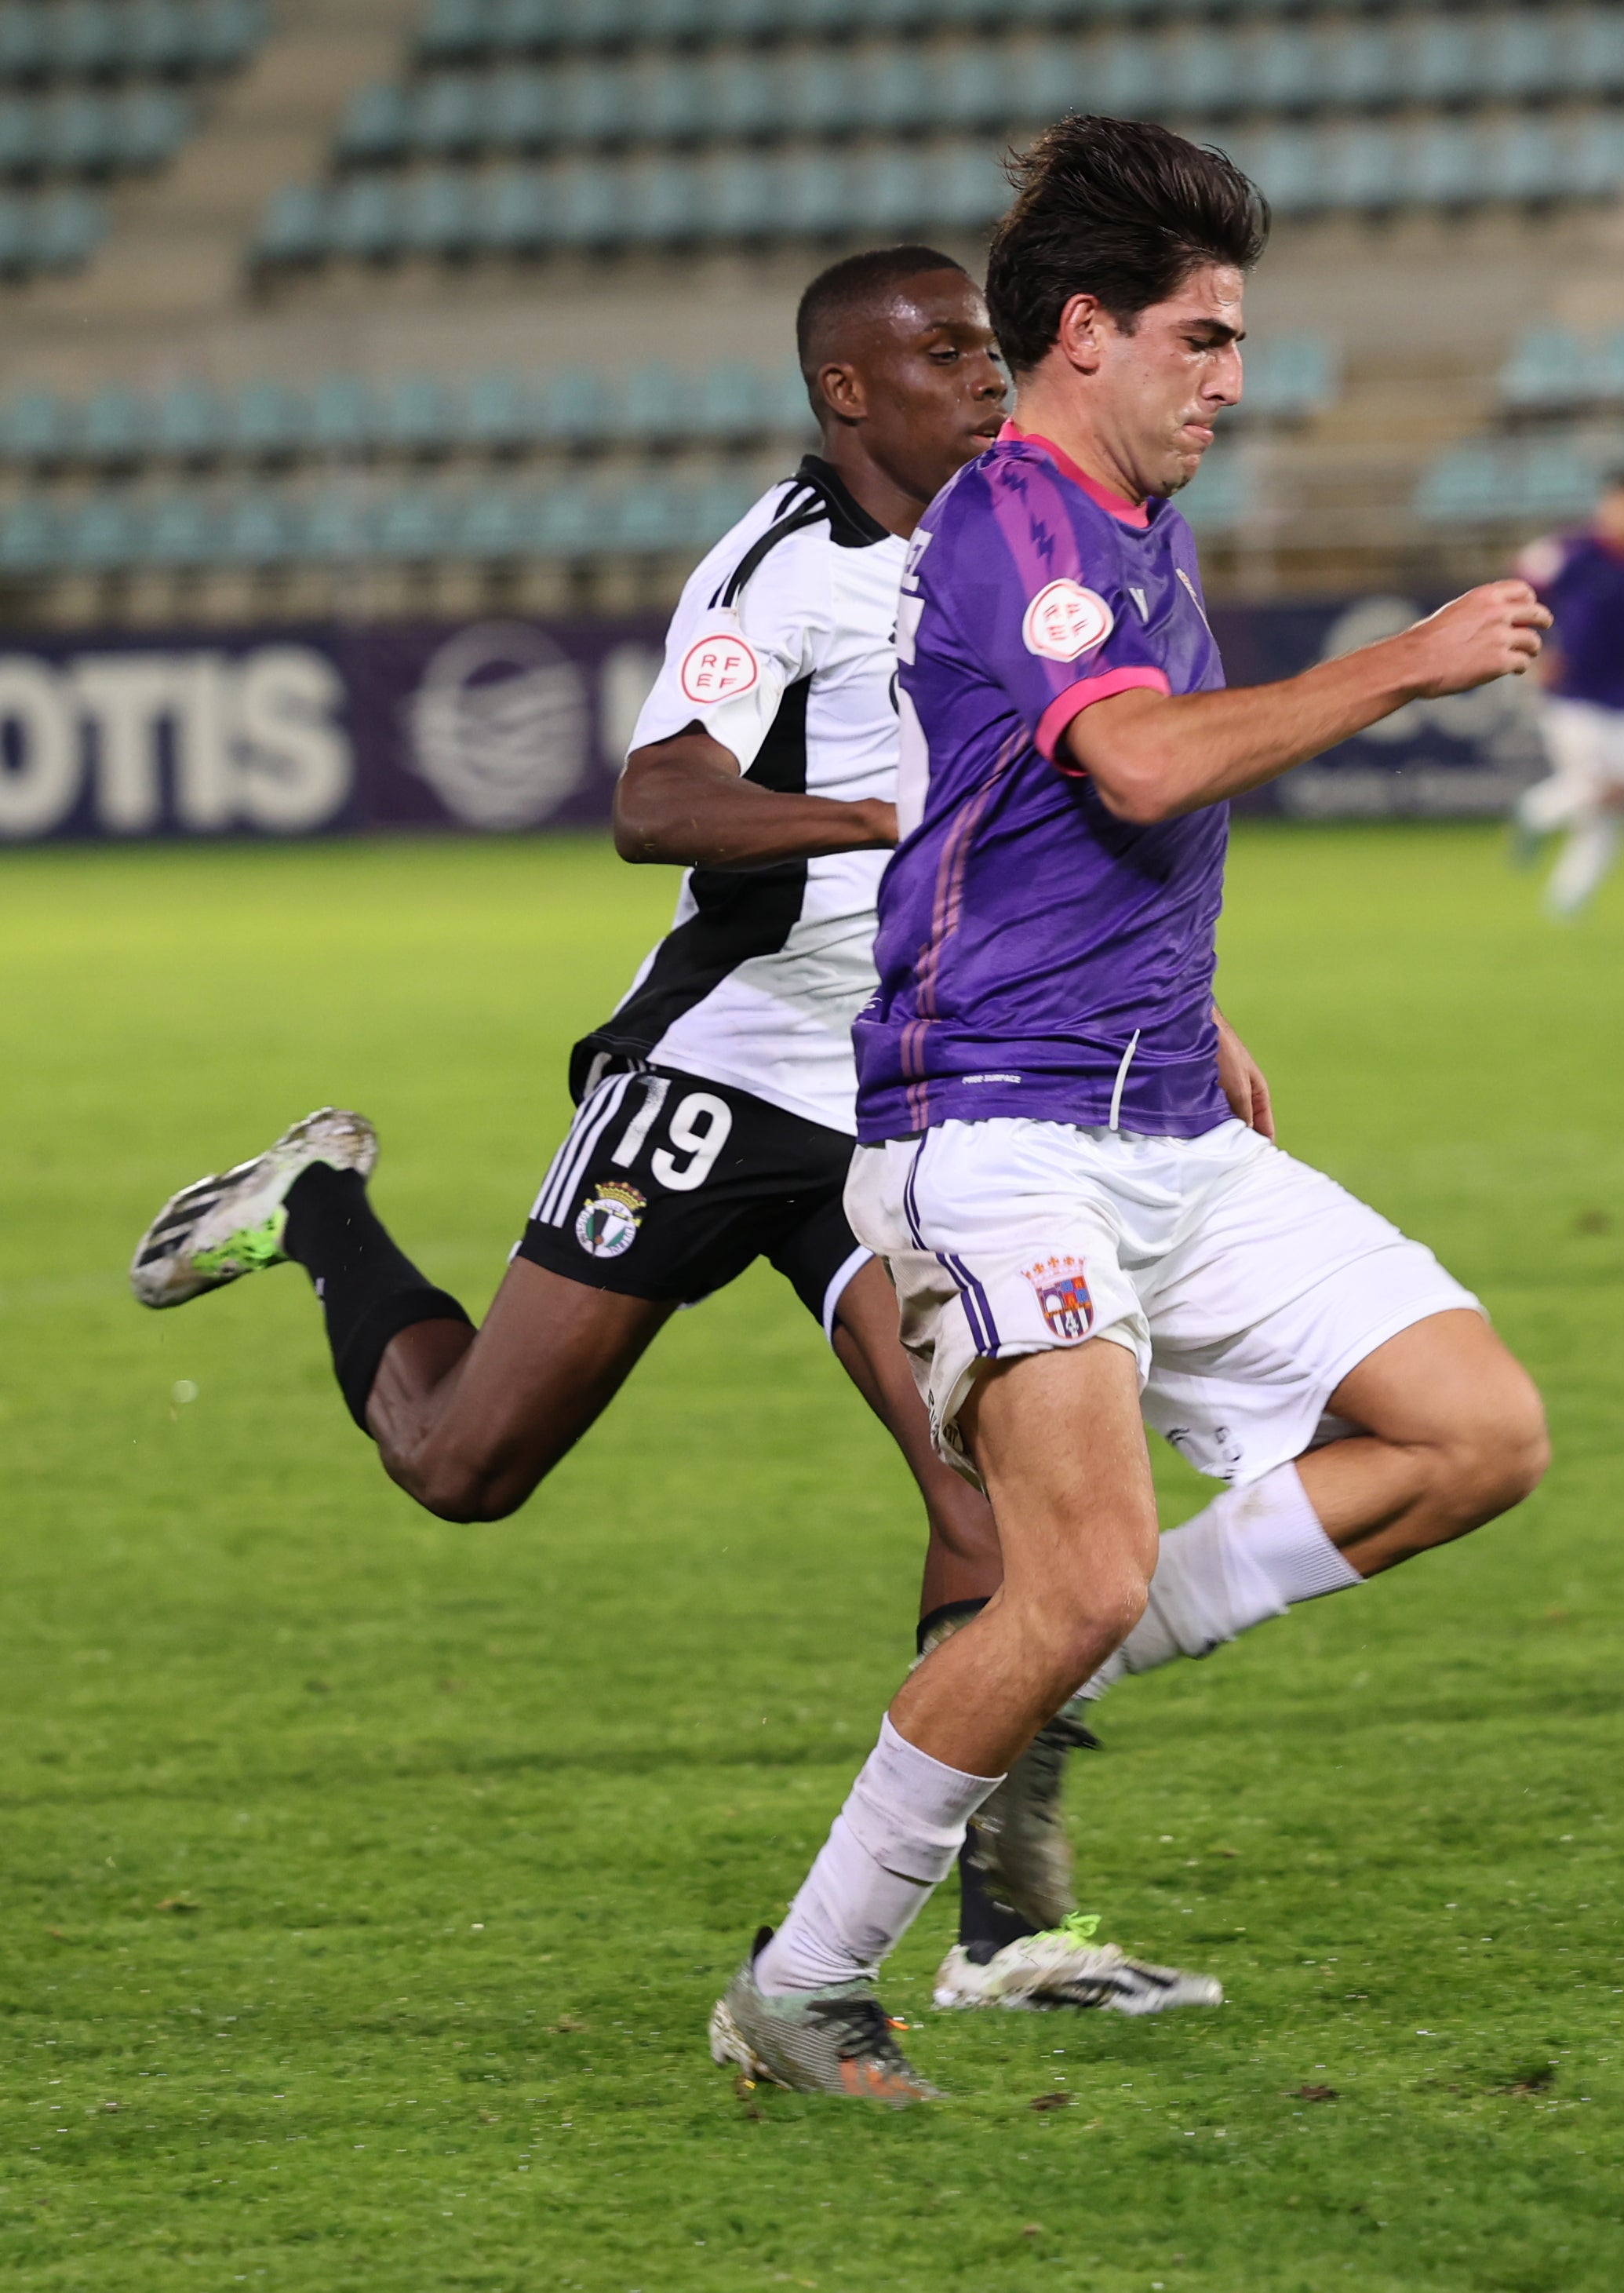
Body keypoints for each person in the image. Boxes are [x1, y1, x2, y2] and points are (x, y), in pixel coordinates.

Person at [124, 244, 1250, 2018]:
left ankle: (1007, 1932)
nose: (986, 371)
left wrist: (1184, 1012)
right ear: (847, 393)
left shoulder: (1013, 538)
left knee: (992, 1500)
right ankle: (320, 1208)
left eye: (991, 344)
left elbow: (1062, 819)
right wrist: (870, 814)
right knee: (466, 1466)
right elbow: (657, 800)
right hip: (718, 1071)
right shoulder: (778, 566)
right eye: (945, 351)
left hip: (901, 1082)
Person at [703, 115, 1555, 2107]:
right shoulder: (1010, 519)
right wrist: (1405, 662)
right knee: (1073, 1574)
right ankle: (810, 1983)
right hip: (995, 1128)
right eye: (1203, 336)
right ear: (1084, 332)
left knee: (1475, 1430)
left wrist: (1198, 996)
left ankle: (1027, 1657)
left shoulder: (1132, 528)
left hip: (1165, 1112)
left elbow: (1054, 815)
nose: (1231, 381)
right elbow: (1149, 770)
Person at [1507, 468, 1624, 920]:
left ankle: (1567, 900)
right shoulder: (1573, 551)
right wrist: (1534, 653)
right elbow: (1517, 589)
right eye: (1623, 503)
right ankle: (1534, 812)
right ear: (1607, 505)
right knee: (1596, 786)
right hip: (1572, 693)